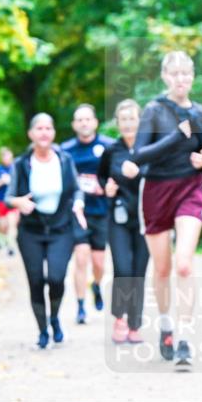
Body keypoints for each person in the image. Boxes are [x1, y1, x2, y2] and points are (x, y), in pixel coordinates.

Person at [127, 51, 202, 370]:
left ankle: (185, 338)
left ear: (192, 77)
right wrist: (177, 136)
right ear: (165, 77)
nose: (181, 79)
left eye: (186, 73)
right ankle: (166, 325)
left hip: (190, 188)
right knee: (162, 269)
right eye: (175, 73)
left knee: (183, 266)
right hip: (156, 191)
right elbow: (139, 154)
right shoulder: (154, 110)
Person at [6, 113, 87, 349]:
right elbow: (9, 196)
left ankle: (55, 318)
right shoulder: (21, 164)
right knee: (36, 280)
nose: (44, 133)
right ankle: (43, 331)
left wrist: (79, 204)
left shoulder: (64, 159)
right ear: (31, 134)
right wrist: (18, 202)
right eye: (39, 128)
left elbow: (77, 189)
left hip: (61, 228)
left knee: (55, 278)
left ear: (53, 133)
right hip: (31, 231)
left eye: (48, 128)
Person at [97, 99, 149, 344]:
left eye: (132, 118)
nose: (128, 124)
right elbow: (101, 177)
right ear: (117, 123)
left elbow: (159, 177)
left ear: (140, 121)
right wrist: (106, 188)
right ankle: (120, 316)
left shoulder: (149, 149)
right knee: (123, 268)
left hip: (146, 218)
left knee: (139, 271)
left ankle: (135, 323)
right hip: (118, 217)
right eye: (124, 119)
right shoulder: (111, 151)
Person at [61, 104, 114, 325]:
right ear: (74, 124)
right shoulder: (65, 150)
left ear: (95, 122)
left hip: (101, 210)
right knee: (81, 258)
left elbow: (117, 173)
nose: (84, 123)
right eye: (79, 120)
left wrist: (106, 185)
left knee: (99, 263)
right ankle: (81, 306)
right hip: (77, 211)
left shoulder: (108, 146)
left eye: (87, 119)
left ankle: (96, 285)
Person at [0, 147, 18, 256]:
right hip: (0, 200)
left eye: (8, 156)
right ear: (2, 158)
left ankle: (10, 246)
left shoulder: (15, 168)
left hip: (13, 200)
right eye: (4, 156)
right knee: (2, 225)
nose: (7, 158)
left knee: (12, 224)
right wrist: (1, 181)